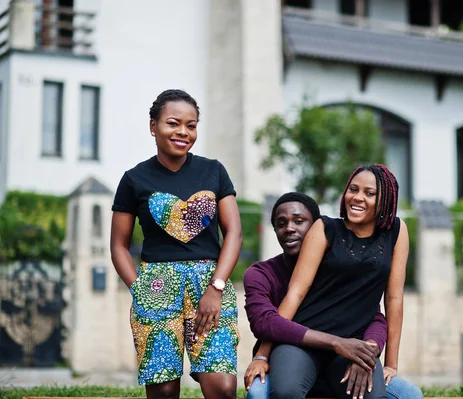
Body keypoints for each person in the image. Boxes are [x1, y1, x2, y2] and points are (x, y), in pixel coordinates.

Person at [110, 89, 241, 399]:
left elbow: (234, 233)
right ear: (153, 126)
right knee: (164, 392)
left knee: (222, 387)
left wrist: (216, 287)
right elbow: (118, 245)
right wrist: (138, 288)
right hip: (156, 286)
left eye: (191, 125)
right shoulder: (134, 179)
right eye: (173, 123)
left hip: (210, 284)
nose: (183, 132)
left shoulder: (214, 171)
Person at [244, 191, 421, 399]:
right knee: (258, 394)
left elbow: (374, 315)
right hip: (291, 364)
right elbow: (266, 323)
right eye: (281, 223)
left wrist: (367, 352)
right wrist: (261, 355)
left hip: (341, 363)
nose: (289, 228)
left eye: (299, 221)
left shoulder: (339, 267)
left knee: (409, 394)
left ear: (317, 228)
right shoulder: (260, 274)